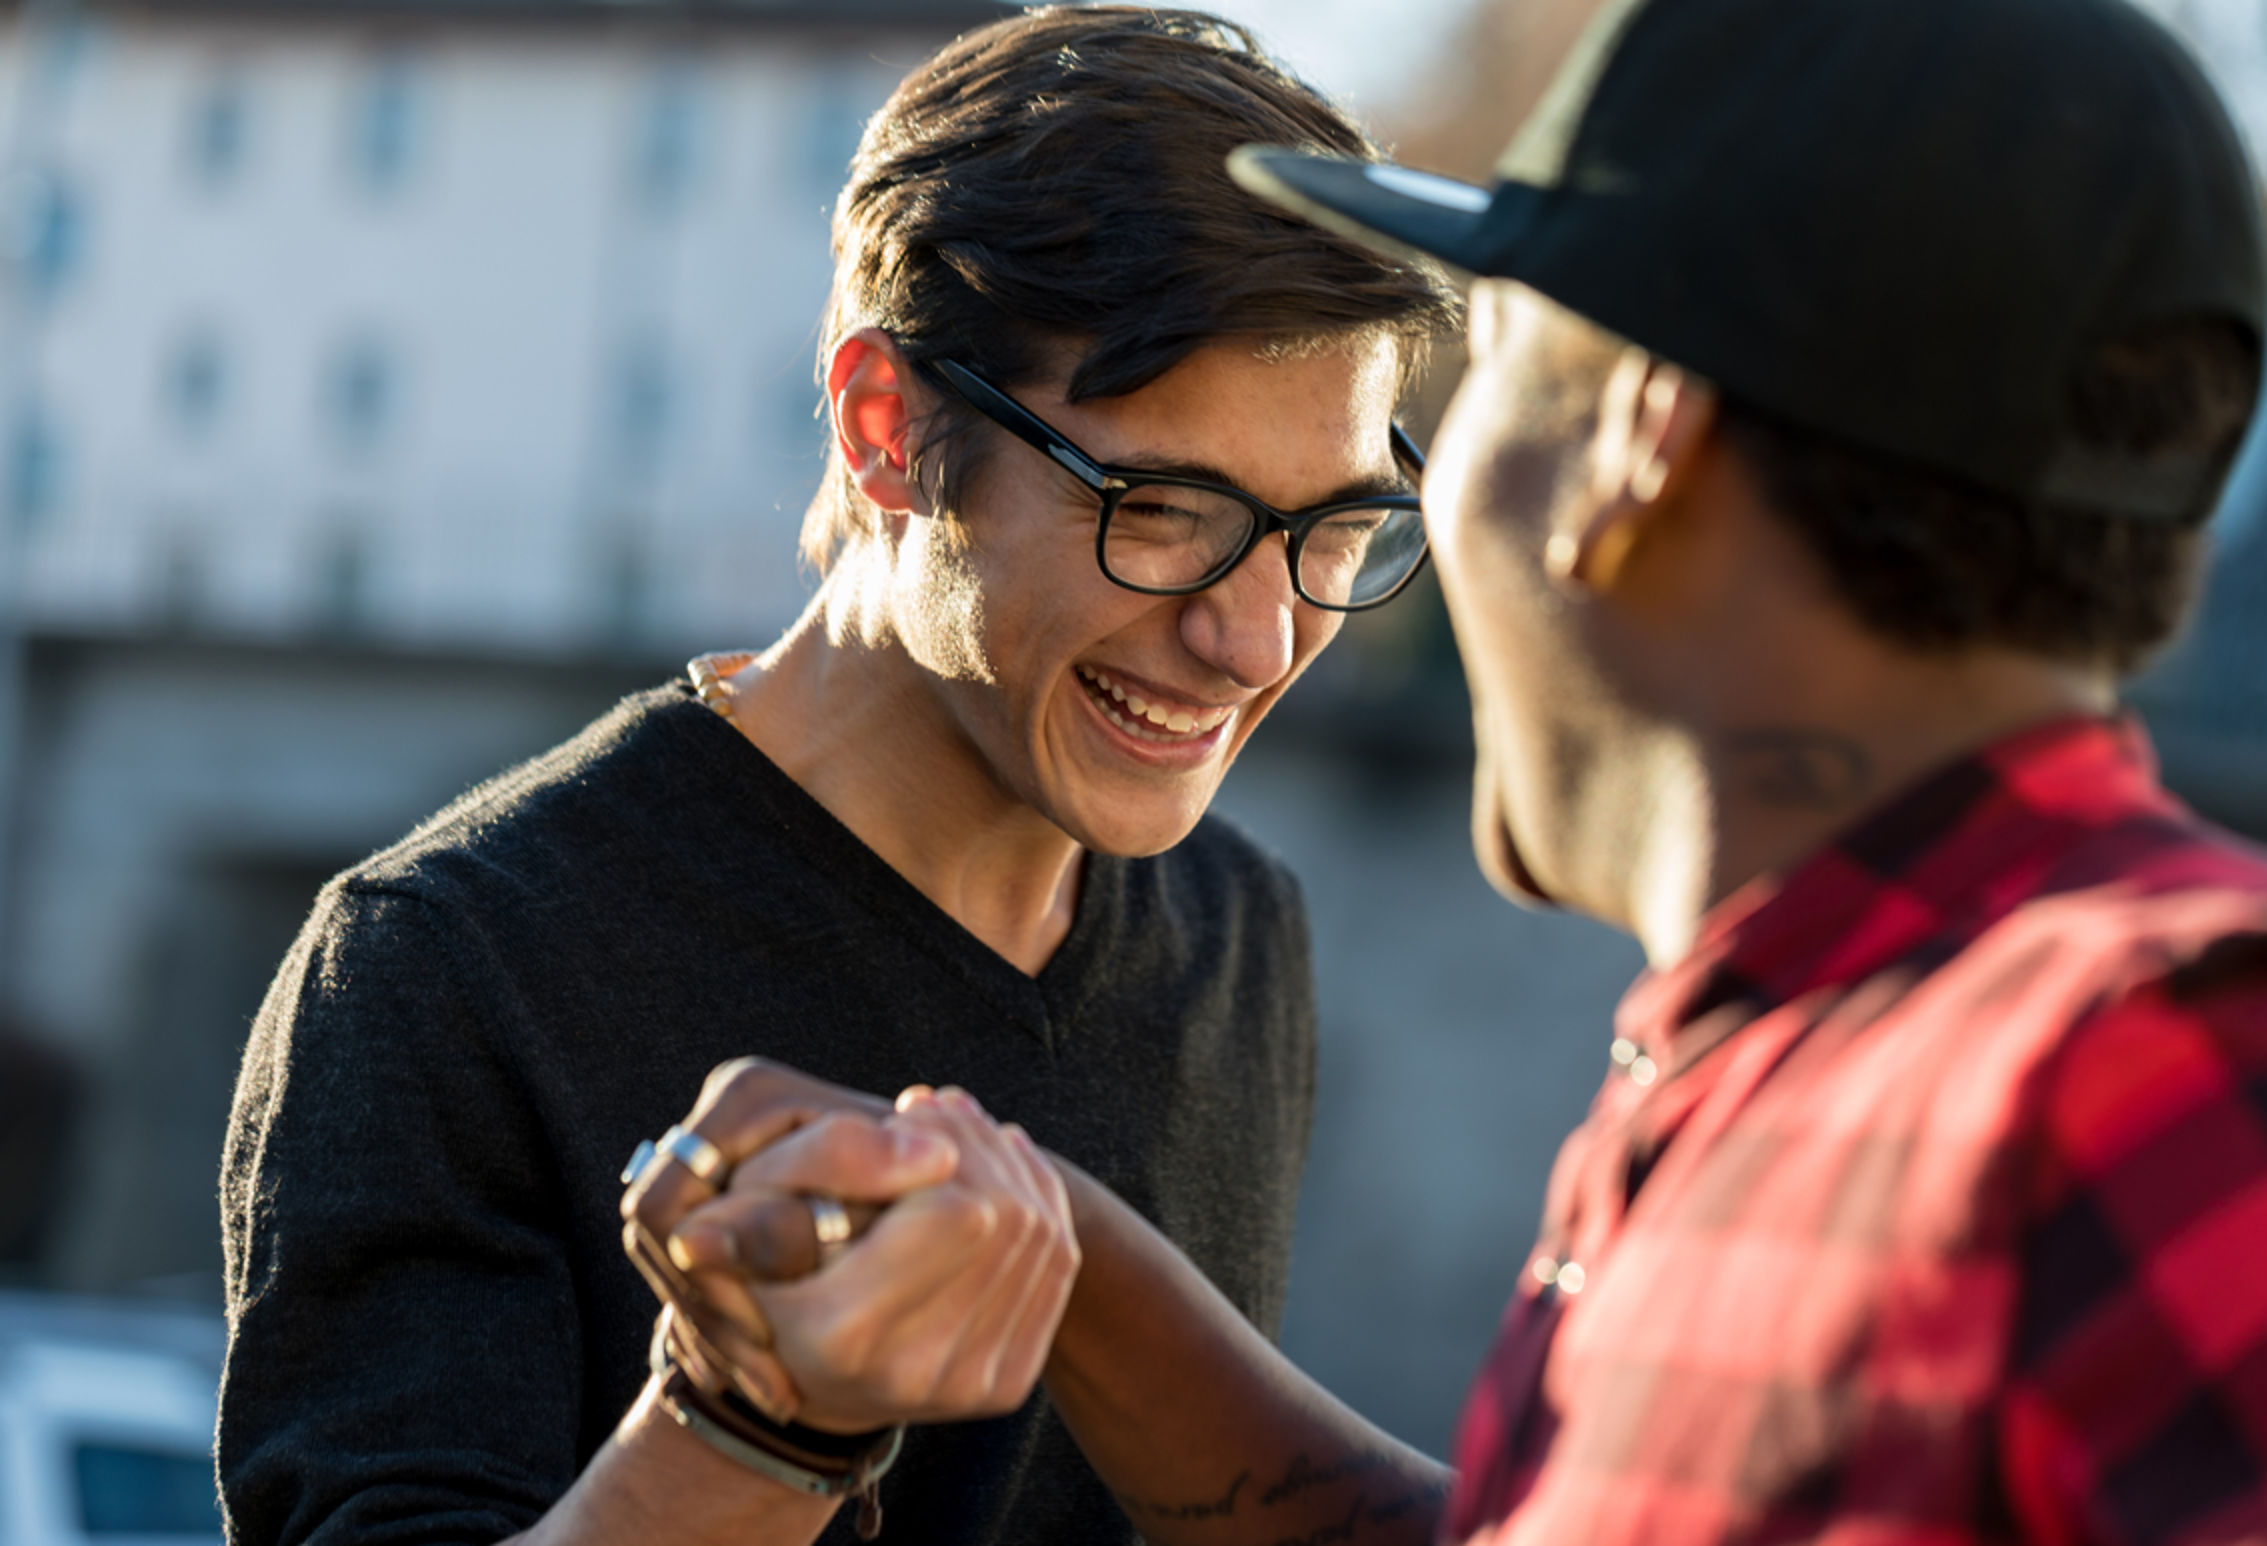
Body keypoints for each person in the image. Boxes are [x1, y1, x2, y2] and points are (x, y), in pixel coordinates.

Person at [633, 0, 2267, 1540]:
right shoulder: (1812, 1069)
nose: (1257, 629)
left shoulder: (2186, 1069)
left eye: (1483, 364)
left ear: (1633, 438)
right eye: (1165, 510)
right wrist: (1052, 1254)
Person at [214, 9, 1460, 1545]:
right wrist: (744, 1426)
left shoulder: (1234, 929)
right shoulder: (444, 965)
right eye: (1165, 508)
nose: (1255, 634)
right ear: (886, 426)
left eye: (1332, 526)